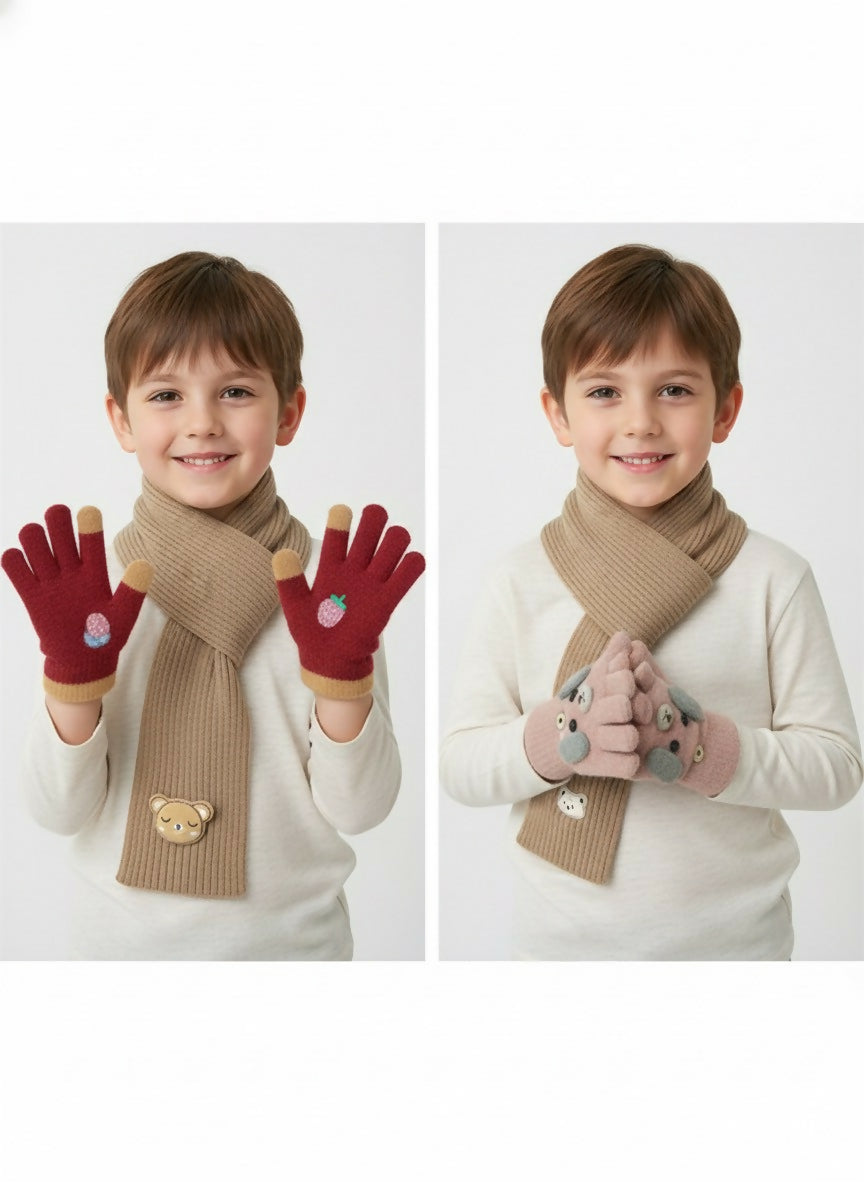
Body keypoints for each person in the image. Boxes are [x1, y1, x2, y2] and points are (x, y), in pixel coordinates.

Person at [440, 243, 862, 960]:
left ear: (725, 408)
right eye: (605, 391)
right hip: (559, 954)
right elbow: (461, 765)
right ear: (558, 413)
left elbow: (835, 767)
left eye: (674, 390)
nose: (640, 421)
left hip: (738, 952)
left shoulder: (771, 577)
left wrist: (695, 747)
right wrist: (565, 733)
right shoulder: (520, 578)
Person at [2, 250, 424, 960]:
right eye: (166, 395)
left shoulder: (332, 588)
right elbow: (56, 810)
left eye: (235, 392)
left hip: (295, 954)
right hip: (117, 961)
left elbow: (361, 808)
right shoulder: (89, 588)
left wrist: (341, 678)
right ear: (121, 419)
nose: (201, 423)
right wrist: (73, 684)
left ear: (288, 411)